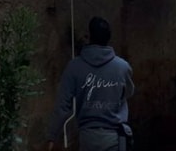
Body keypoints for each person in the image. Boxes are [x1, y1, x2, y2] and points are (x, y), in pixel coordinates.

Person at [47, 16, 135, 151]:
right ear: (109, 37)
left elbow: (62, 106)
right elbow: (129, 92)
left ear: (89, 37)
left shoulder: (74, 67)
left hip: (87, 138)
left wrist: (51, 137)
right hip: (114, 138)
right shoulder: (123, 67)